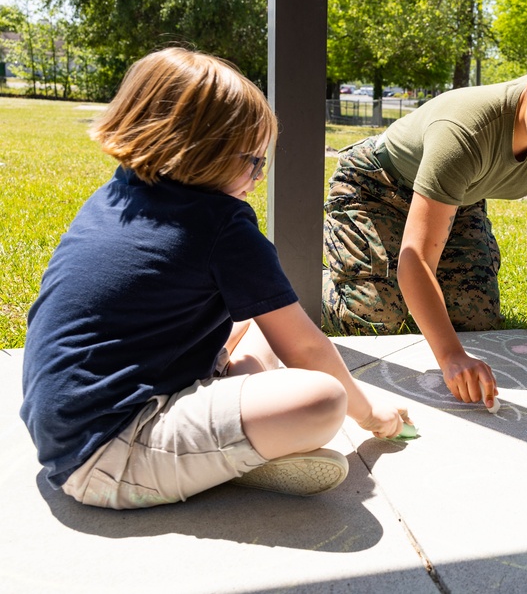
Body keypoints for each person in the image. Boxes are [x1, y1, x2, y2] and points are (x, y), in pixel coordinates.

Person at [20, 48, 408, 510]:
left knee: (254, 329)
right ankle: (232, 458)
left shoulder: (118, 192)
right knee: (324, 399)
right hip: (111, 455)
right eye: (254, 162)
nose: (259, 178)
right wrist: (369, 412)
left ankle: (222, 447)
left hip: (66, 427)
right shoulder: (223, 224)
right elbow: (304, 348)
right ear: (203, 150)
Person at [323, 30, 527, 408]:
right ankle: (327, 268)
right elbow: (416, 258)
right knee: (373, 315)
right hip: (375, 187)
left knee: (476, 317)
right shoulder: (465, 130)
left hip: (458, 202)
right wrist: (450, 357)